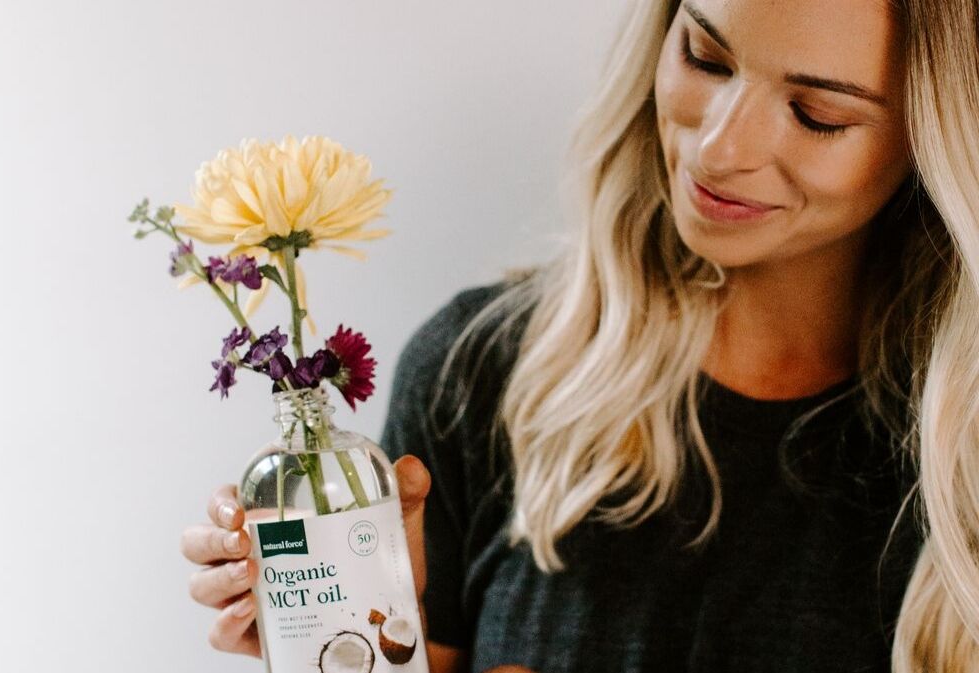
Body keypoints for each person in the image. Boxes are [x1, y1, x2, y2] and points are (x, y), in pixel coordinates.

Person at [180, 0, 979, 670]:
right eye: (705, 56)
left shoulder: (960, 462)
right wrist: (369, 645)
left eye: (818, 114)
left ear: (935, 134)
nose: (719, 148)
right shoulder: (477, 371)